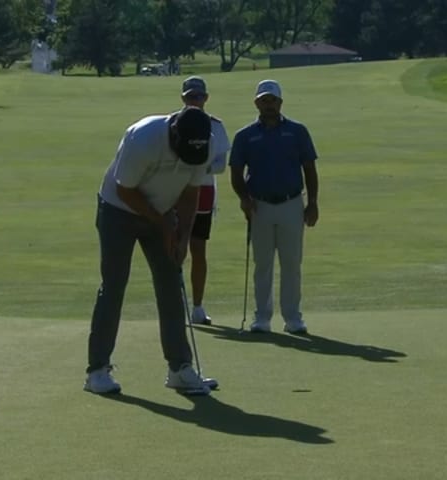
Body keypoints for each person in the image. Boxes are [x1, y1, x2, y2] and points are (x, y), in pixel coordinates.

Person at [84, 106, 219, 396]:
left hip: (164, 211)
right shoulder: (143, 137)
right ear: (173, 132)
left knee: (171, 282)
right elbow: (125, 190)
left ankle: (179, 369)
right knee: (114, 285)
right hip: (118, 211)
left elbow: (190, 193)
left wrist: (182, 238)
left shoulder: (203, 144)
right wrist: (162, 223)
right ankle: (97, 371)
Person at [229, 79, 320, 335]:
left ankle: (293, 318)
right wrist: (244, 199)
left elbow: (310, 169)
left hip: (292, 202)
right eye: (264, 100)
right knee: (263, 263)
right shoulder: (246, 135)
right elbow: (236, 172)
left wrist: (312, 203)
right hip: (260, 206)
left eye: (273, 100)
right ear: (257, 103)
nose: (269, 105)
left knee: (292, 263)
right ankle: (262, 317)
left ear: (280, 102)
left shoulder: (297, 131)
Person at [179, 76, 230, 325]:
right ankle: (175, 305)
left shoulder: (215, 126)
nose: (194, 101)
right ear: (183, 98)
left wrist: (197, 164)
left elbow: (220, 165)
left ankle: (197, 307)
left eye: (198, 97)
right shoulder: (173, 124)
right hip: (175, 192)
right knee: (173, 249)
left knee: (198, 249)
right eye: (190, 97)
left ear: (206, 98)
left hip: (203, 191)